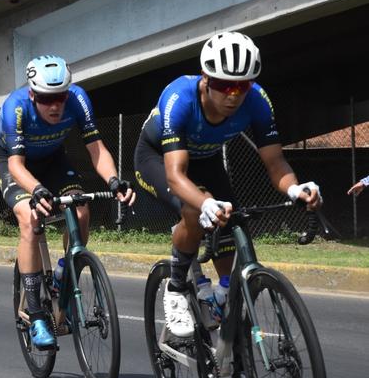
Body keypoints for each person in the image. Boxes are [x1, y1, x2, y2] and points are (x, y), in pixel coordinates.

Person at [133, 31, 321, 338]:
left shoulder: (257, 101)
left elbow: (276, 163)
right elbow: (176, 175)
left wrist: (294, 189)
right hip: (159, 158)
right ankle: (176, 287)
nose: (233, 95)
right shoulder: (180, 98)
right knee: (195, 209)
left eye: (241, 86)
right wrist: (204, 202)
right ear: (206, 79)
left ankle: (221, 296)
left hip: (206, 159)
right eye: (223, 85)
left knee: (231, 222)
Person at [0, 55, 135, 349]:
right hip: (14, 162)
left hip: (53, 159)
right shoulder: (15, 107)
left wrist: (113, 180)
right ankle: (37, 315)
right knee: (30, 219)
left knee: (81, 211)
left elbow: (96, 149)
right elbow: (17, 166)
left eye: (60, 97)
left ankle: (63, 273)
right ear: (33, 95)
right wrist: (36, 190)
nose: (55, 105)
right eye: (47, 99)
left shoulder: (78, 99)